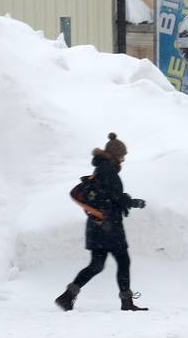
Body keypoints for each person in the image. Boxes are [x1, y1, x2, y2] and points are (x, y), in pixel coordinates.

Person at [55, 133, 149, 312]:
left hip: (97, 224)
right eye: (122, 155)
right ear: (115, 154)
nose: (123, 159)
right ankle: (126, 302)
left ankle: (67, 297)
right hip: (109, 226)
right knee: (123, 261)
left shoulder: (101, 169)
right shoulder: (108, 170)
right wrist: (133, 202)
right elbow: (116, 197)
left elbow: (108, 195)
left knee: (96, 265)